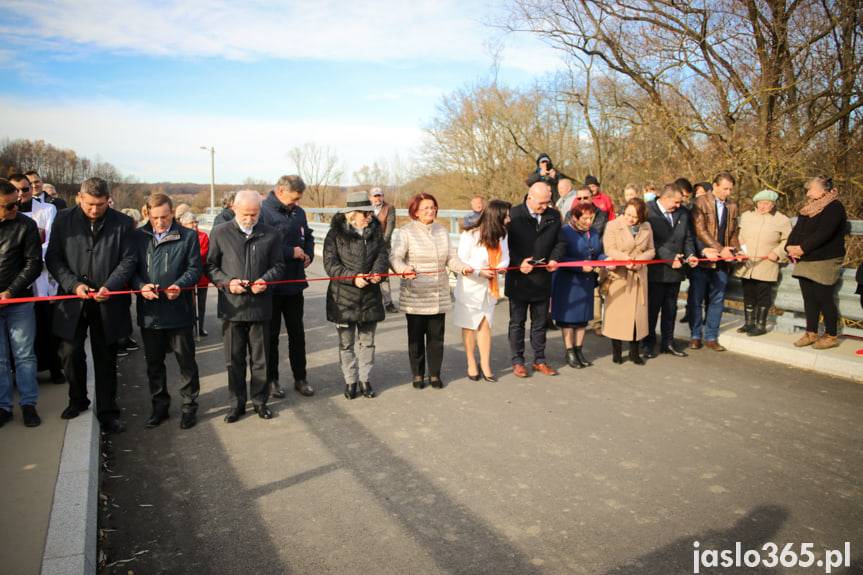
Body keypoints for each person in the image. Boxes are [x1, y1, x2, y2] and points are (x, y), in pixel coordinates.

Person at [46, 177, 137, 433]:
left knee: (105, 357)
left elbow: (129, 260)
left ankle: (108, 411)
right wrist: (73, 284)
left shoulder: (122, 222)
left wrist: (111, 285)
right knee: (70, 353)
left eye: (100, 204)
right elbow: (53, 257)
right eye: (89, 205)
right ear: (79, 198)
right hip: (73, 300)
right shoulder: (63, 219)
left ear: (108, 199)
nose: (95, 210)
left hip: (107, 300)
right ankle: (78, 399)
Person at [207, 190, 285, 423]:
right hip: (233, 308)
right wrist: (228, 283)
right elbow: (210, 267)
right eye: (245, 214)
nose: (250, 218)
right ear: (234, 209)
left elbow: (279, 265)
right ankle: (236, 403)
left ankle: (260, 401)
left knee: (260, 359)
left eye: (255, 214)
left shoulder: (270, 234)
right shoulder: (220, 233)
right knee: (234, 359)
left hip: (260, 307)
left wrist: (266, 281)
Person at [132, 194, 203, 430]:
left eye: (164, 217)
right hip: (150, 311)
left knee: (186, 361)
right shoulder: (138, 237)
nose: (160, 222)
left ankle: (189, 406)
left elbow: (194, 269)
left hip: (179, 310)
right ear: (147, 215)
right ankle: (159, 407)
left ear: (172, 213)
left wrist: (180, 285)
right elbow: (130, 271)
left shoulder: (188, 236)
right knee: (154, 364)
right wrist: (141, 287)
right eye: (155, 218)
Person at [390, 192, 470, 389]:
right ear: (415, 212)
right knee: (416, 338)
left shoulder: (442, 231)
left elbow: (451, 258)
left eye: (433, 207)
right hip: (416, 294)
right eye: (425, 208)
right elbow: (395, 258)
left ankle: (435, 374)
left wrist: (462, 267)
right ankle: (418, 374)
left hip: (438, 293)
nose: (430, 210)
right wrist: (403, 270)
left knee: (436, 338)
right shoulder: (406, 232)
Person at [323, 192, 389, 400]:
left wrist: (378, 273)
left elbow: (382, 257)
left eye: (370, 213)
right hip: (343, 298)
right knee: (346, 343)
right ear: (352, 214)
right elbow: (331, 265)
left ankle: (364, 379)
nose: (369, 217)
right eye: (365, 213)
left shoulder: (376, 232)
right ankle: (350, 381)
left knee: (367, 341)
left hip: (370, 296)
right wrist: (353, 278)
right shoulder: (334, 235)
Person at [259, 175, 315, 398]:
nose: (297, 203)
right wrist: (290, 252)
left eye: (299, 199)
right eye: (293, 199)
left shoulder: (298, 212)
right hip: (272, 286)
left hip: (295, 283)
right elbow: (262, 245)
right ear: (280, 191)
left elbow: (308, 235)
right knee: (271, 336)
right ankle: (272, 380)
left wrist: (308, 252)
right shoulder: (263, 212)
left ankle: (300, 378)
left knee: (297, 334)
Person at [505, 181, 565, 377]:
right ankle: (518, 361)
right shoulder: (513, 215)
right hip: (518, 277)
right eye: (541, 203)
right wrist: (517, 261)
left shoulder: (553, 215)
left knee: (540, 323)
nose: (545, 206)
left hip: (543, 277)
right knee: (517, 322)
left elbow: (561, 242)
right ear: (529, 197)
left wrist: (555, 258)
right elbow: (504, 247)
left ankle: (539, 360)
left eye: (548, 202)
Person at [11, 173, 64, 384]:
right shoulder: (7, 215)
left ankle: (54, 367)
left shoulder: (47, 210)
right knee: (21, 332)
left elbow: (50, 242)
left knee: (47, 325)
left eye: (26, 189)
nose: (23, 193)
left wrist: (31, 258)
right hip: (17, 279)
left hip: (42, 276)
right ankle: (23, 372)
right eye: (19, 190)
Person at [0, 179, 44, 428]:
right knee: (0, 359)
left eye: (16, 203)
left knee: (25, 355)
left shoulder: (26, 226)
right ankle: (3, 407)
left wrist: (10, 291)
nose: (15, 209)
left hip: (19, 301)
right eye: (7, 206)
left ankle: (28, 404)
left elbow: (33, 263)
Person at [786, 176, 847, 350]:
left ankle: (831, 334)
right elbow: (797, 230)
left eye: (810, 189)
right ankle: (811, 332)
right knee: (809, 298)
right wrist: (789, 246)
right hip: (806, 258)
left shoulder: (834, 207)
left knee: (824, 297)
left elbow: (824, 233)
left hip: (825, 259)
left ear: (823, 190)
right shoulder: (807, 209)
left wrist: (802, 248)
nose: (807, 193)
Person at [453, 199, 511, 382]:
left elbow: (506, 257)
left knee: (486, 324)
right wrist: (479, 271)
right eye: (506, 215)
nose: (509, 219)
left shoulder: (503, 235)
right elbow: (460, 260)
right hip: (471, 286)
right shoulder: (470, 235)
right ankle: (471, 361)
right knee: (470, 325)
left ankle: (485, 364)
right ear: (496, 216)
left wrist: (500, 267)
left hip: (489, 287)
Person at [644, 183, 698, 358]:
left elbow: (688, 237)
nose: (678, 205)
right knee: (652, 309)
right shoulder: (648, 211)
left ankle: (668, 342)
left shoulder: (682, 212)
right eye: (676, 202)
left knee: (671, 309)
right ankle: (648, 343)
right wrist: (669, 258)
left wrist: (690, 256)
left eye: (680, 202)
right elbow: (650, 241)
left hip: (676, 270)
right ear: (665, 198)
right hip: (656, 269)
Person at [689, 172, 741, 351]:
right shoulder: (699, 202)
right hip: (703, 258)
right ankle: (695, 335)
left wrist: (737, 250)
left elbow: (733, 232)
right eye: (725, 188)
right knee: (696, 299)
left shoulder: (732, 206)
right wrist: (720, 249)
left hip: (722, 261)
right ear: (715, 186)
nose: (728, 192)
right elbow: (700, 231)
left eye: (730, 189)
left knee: (717, 298)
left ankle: (711, 336)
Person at [551, 202, 605, 369]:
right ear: (575, 217)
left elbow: (597, 253)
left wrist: (606, 260)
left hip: (586, 281)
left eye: (591, 218)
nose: (589, 221)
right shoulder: (565, 232)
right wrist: (579, 265)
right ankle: (570, 352)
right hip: (568, 282)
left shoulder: (593, 232)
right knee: (568, 320)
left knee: (582, 319)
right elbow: (559, 258)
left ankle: (579, 350)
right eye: (585, 218)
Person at [602, 198, 655, 365]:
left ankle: (634, 352)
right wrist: (626, 259)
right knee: (618, 316)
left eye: (634, 217)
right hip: (620, 275)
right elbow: (609, 249)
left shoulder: (647, 227)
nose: (630, 219)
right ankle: (616, 351)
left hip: (638, 275)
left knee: (636, 317)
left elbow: (651, 250)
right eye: (628, 214)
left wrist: (639, 261)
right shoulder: (612, 225)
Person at [733, 190, 792, 337]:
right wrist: (738, 250)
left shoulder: (782, 220)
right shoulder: (746, 216)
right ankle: (749, 323)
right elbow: (737, 235)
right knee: (748, 293)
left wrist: (777, 253)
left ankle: (761, 325)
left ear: (773, 205)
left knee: (763, 294)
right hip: (746, 263)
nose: (762, 206)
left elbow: (788, 241)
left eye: (766, 203)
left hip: (767, 263)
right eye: (760, 203)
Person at [178, 212, 211, 337]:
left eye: (196, 222)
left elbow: (203, 253)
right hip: (185, 277)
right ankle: (188, 327)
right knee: (188, 304)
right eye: (192, 223)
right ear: (184, 225)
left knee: (200, 304)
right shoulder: (180, 236)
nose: (195, 225)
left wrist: (190, 257)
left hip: (201, 276)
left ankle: (200, 327)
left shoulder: (203, 236)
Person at [370, 187, 398, 313]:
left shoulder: (389, 208)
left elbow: (390, 226)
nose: (377, 198)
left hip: (383, 246)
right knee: (369, 273)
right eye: (375, 196)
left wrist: (382, 243)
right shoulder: (366, 209)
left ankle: (388, 303)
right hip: (368, 246)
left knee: (383, 274)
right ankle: (373, 303)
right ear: (371, 197)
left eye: (379, 195)